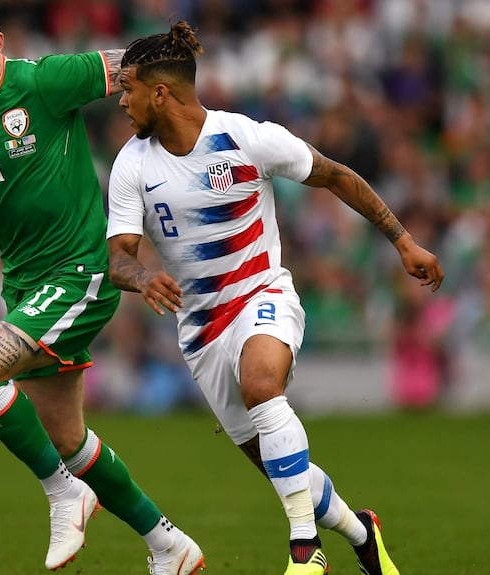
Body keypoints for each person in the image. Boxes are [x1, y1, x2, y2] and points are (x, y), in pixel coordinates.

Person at [0, 2, 204, 574]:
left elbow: (136, 68)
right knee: (69, 440)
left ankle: (63, 493)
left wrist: (178, 59)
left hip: (79, 271)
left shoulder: (45, 81)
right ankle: (168, 545)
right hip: (25, 285)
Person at [106, 22, 445, 575]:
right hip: (201, 333)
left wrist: (403, 241)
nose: (122, 101)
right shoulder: (133, 164)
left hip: (262, 296)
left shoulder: (247, 137)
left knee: (262, 385)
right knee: (282, 465)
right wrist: (140, 277)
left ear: (160, 92)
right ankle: (363, 534)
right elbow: (118, 254)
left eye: (129, 89)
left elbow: (335, 175)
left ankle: (304, 551)